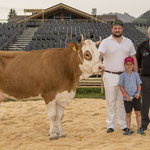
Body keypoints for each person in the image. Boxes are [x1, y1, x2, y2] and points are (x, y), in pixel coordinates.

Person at [98, 19, 138, 133]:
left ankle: (123, 125)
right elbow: (99, 55)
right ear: (112, 29)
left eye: (119, 28)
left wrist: (135, 75)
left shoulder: (128, 42)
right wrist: (97, 65)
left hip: (125, 76)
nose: (117, 30)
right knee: (110, 101)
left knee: (123, 102)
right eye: (115, 28)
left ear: (122, 29)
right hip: (109, 74)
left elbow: (133, 58)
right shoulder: (105, 42)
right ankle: (110, 125)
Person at [118, 57, 145, 135]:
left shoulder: (136, 74)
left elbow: (139, 85)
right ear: (125, 65)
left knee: (138, 113)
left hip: (136, 97)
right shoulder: (122, 75)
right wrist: (126, 95)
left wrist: (138, 93)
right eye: (127, 65)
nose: (129, 66)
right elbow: (121, 87)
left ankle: (139, 127)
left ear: (133, 65)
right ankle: (128, 128)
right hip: (127, 98)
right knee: (128, 114)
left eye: (131, 64)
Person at [136, 26, 150, 131]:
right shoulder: (142, 46)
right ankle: (144, 122)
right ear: (148, 33)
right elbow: (137, 61)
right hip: (145, 78)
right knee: (145, 102)